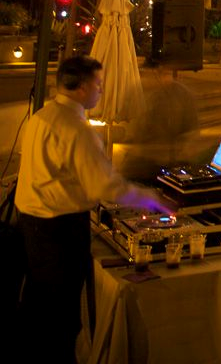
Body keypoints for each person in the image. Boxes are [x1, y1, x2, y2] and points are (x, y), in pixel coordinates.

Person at [16, 56, 170, 362]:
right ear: (83, 86)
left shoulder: (41, 117)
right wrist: (153, 200)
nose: (101, 91)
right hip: (60, 230)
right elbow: (105, 187)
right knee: (62, 317)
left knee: (39, 308)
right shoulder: (78, 130)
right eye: (98, 84)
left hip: (32, 223)